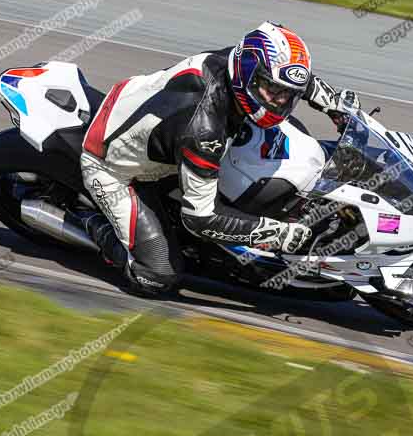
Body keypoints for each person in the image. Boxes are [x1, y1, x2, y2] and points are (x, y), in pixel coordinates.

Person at [80, 21, 360, 297]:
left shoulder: (241, 61)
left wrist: (335, 105)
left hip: (149, 120)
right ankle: (89, 222)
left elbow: (297, 79)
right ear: (249, 75)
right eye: (273, 92)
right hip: (114, 168)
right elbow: (200, 218)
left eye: (288, 95)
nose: (280, 102)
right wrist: (275, 233)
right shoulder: (204, 130)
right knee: (158, 275)